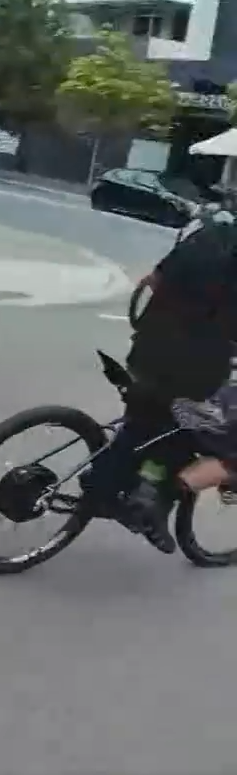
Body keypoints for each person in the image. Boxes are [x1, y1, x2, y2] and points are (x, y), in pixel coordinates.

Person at [89, 216, 237, 553]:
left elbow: (154, 280)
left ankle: (104, 483)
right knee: (201, 425)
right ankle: (155, 497)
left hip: (147, 350)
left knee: (146, 415)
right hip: (197, 369)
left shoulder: (210, 235)